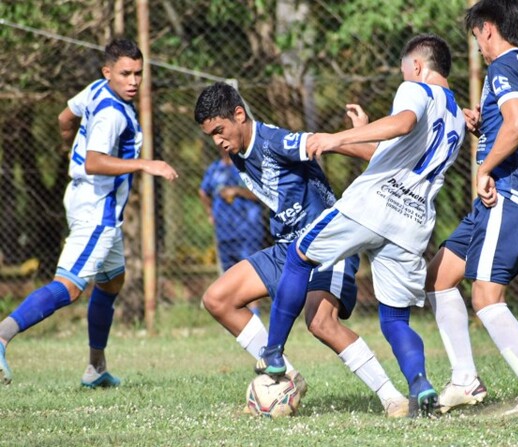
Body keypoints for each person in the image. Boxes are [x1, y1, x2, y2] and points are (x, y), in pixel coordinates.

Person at [256, 34, 465, 417]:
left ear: (417, 66)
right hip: (413, 223)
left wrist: (336, 136)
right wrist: (366, 129)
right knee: (394, 319)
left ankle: (272, 353)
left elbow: (402, 123)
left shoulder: (414, 88)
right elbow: (398, 147)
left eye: (405, 69)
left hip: (372, 205)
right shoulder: (457, 117)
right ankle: (420, 384)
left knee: (300, 254)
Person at [194, 81, 411, 418]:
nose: (218, 141)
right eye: (211, 135)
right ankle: (288, 378)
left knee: (320, 322)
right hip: (287, 248)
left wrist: (367, 139)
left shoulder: (273, 142)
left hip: (328, 244)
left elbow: (323, 145)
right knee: (217, 299)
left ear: (239, 115)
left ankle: (392, 397)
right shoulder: (238, 152)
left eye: (220, 130)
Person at [0, 38, 178, 387]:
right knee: (70, 286)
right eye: (125, 74)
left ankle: (96, 368)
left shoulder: (96, 90)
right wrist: (146, 164)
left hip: (85, 200)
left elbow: (65, 117)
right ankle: (2, 335)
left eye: (138, 73)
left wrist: (71, 150)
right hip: (98, 211)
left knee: (112, 281)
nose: (133, 81)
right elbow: (96, 162)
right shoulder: (113, 114)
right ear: (107, 71)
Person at [425, 0, 518, 416]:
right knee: (439, 277)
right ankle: (465, 381)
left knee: (485, 297)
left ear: (488, 29)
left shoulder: (503, 65)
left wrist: (484, 168)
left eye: (476, 37)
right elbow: (511, 122)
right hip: (501, 199)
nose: (478, 47)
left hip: (511, 197)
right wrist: (482, 124)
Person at [199, 147, 266, 316]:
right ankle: (238, 318)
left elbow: (264, 194)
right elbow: (203, 192)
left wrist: (237, 191)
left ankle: (255, 315)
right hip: (224, 231)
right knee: (229, 276)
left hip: (248, 230)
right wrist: (210, 213)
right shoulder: (215, 169)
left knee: (251, 273)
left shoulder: (249, 166)